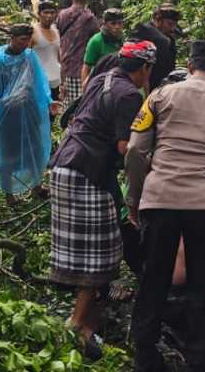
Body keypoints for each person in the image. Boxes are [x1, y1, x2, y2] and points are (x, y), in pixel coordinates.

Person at [125, 41, 205, 372]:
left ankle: (145, 355)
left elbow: (137, 153)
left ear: (189, 64)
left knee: (153, 279)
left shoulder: (159, 96)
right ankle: (199, 359)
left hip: (159, 199)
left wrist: (135, 201)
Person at [48, 40, 157, 359]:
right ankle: (78, 326)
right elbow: (127, 148)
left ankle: (84, 319)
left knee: (84, 247)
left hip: (64, 165)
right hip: (87, 170)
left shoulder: (101, 79)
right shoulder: (128, 95)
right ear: (145, 69)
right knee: (99, 252)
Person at [0, 24, 53, 206]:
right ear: (11, 37)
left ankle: (37, 186)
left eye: (28, 40)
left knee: (34, 148)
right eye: (22, 40)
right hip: (7, 114)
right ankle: (9, 195)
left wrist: (48, 102)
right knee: (8, 154)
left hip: (29, 110)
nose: (25, 44)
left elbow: (39, 81)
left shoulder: (29, 56)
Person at [56, 0, 99, 107]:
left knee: (66, 108)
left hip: (64, 69)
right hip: (82, 71)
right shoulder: (90, 18)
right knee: (80, 108)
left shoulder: (62, 15)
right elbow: (97, 38)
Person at [132, 2, 181, 90]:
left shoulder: (169, 36)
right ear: (158, 20)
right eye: (170, 24)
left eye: (174, 24)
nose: (173, 28)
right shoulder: (143, 34)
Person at [81, 8, 125, 89]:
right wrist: (86, 90)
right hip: (100, 85)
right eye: (113, 23)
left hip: (118, 84)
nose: (117, 27)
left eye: (120, 23)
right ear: (105, 24)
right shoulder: (96, 41)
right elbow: (86, 68)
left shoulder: (123, 39)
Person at [30, 0, 61, 101]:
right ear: (39, 14)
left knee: (52, 114)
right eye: (46, 12)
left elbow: (58, 56)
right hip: (38, 82)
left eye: (52, 13)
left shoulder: (56, 31)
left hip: (56, 82)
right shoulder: (33, 31)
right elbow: (26, 57)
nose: (49, 16)